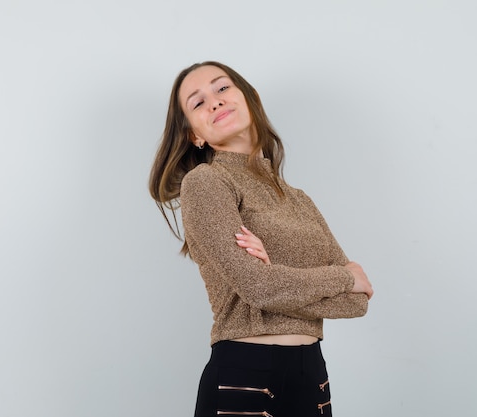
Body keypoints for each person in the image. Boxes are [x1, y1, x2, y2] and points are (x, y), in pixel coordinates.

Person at [148, 61, 373, 417]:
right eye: (197, 102)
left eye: (222, 88)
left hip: (312, 376)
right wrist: (345, 277)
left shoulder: (299, 200)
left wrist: (275, 276)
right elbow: (260, 288)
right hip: (245, 373)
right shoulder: (207, 183)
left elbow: (357, 304)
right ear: (195, 135)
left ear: (250, 98)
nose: (215, 102)